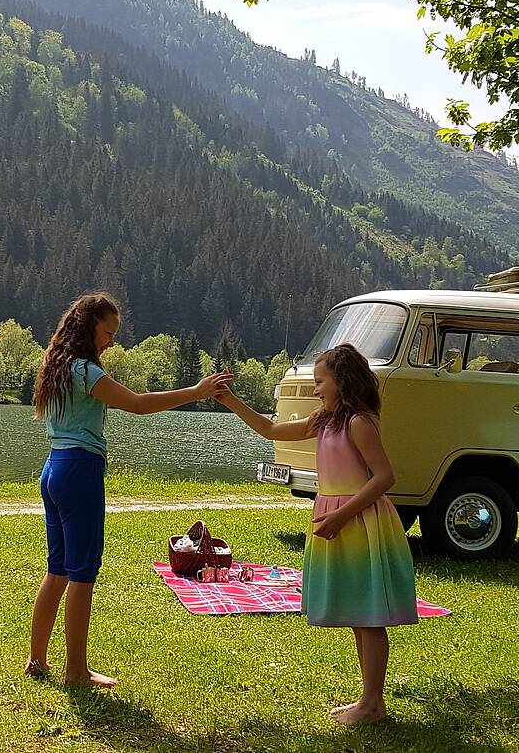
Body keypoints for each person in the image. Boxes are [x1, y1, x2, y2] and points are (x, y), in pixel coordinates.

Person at [26, 292, 231, 688]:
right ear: (89, 327)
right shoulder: (85, 371)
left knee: (57, 570)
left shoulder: (57, 365)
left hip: (53, 468)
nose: (111, 341)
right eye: (108, 332)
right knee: (82, 573)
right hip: (79, 471)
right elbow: (137, 404)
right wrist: (197, 391)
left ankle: (37, 660)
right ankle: (76, 671)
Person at [216, 343, 417, 724]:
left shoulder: (359, 421)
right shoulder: (324, 419)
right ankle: (368, 701)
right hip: (337, 517)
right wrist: (230, 400)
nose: (314, 389)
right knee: (360, 612)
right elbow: (270, 428)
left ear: (341, 381)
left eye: (320, 381)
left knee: (369, 616)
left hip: (361, 521)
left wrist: (340, 515)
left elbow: (385, 477)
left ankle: (373, 704)